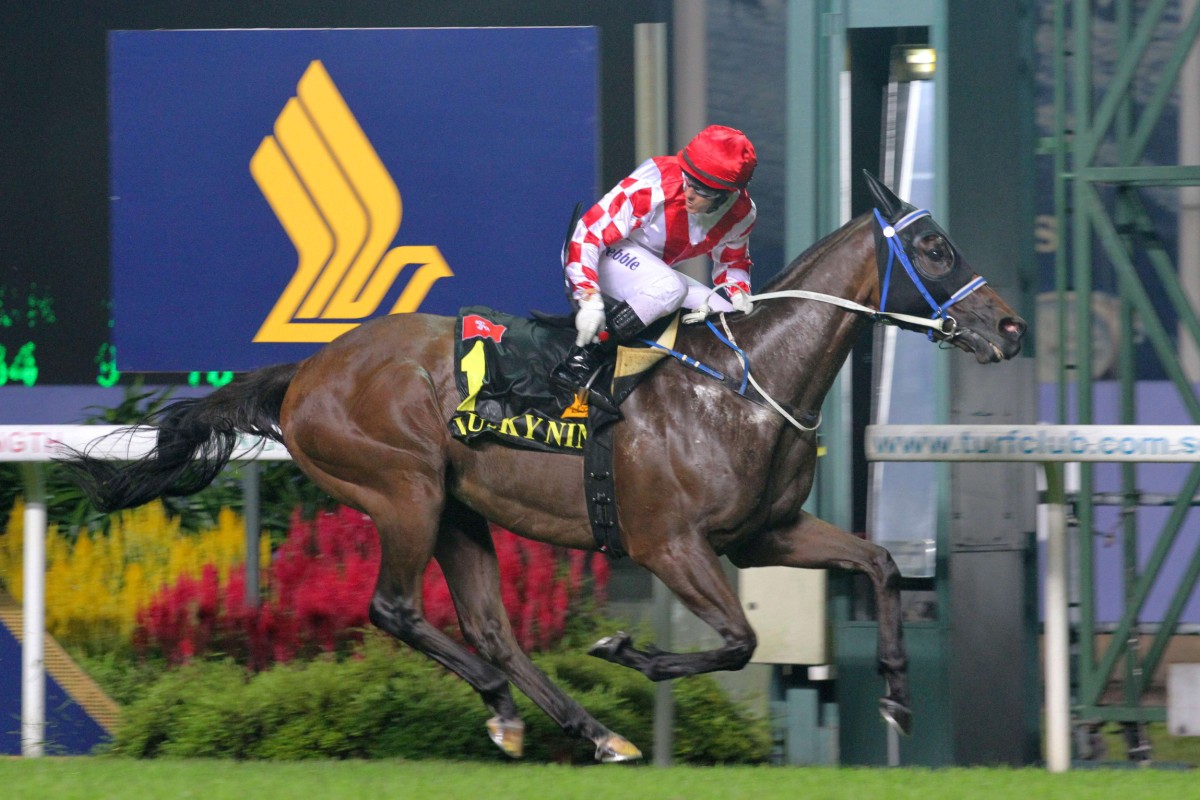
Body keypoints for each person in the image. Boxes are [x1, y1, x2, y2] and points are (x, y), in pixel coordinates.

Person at [550, 124, 758, 412]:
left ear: (726, 195)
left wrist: (738, 293)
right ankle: (581, 360)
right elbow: (588, 233)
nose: (689, 193)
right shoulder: (657, 183)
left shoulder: (742, 215)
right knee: (671, 287)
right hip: (597, 254)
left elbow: (732, 261)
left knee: (728, 318)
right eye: (688, 182)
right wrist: (588, 298)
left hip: (652, 271)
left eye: (700, 190)